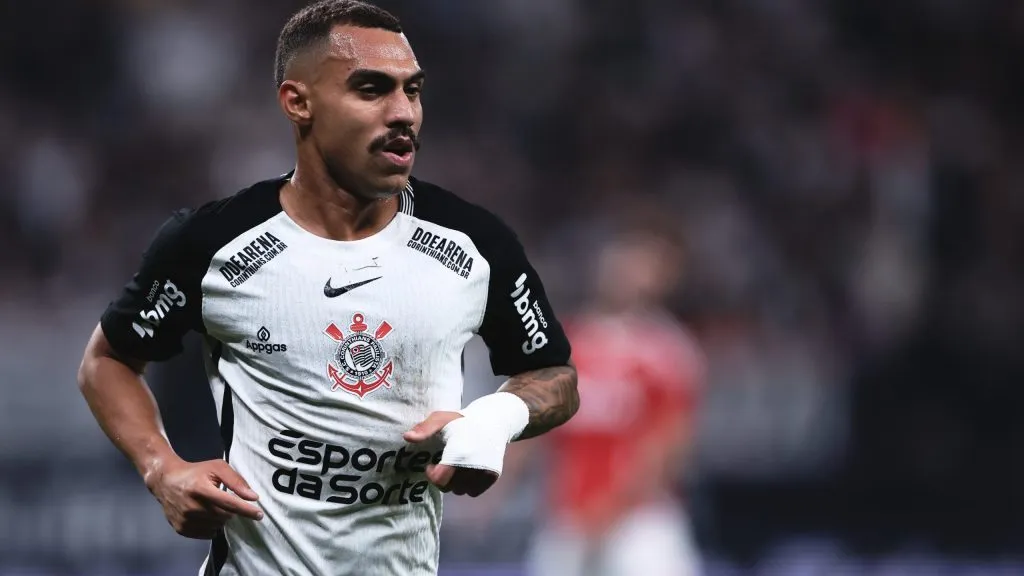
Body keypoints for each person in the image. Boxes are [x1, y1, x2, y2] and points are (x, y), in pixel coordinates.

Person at [75, 2, 578, 575]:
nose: (403, 113)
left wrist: (494, 419)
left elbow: (554, 376)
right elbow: (108, 360)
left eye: (412, 92)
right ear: (298, 102)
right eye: (371, 90)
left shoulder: (473, 243)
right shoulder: (214, 242)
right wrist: (161, 468)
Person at [504, 227, 704, 576]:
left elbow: (670, 443)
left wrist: (614, 505)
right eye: (624, 260)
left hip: (641, 521)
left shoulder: (667, 349)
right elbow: (533, 422)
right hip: (569, 519)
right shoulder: (567, 342)